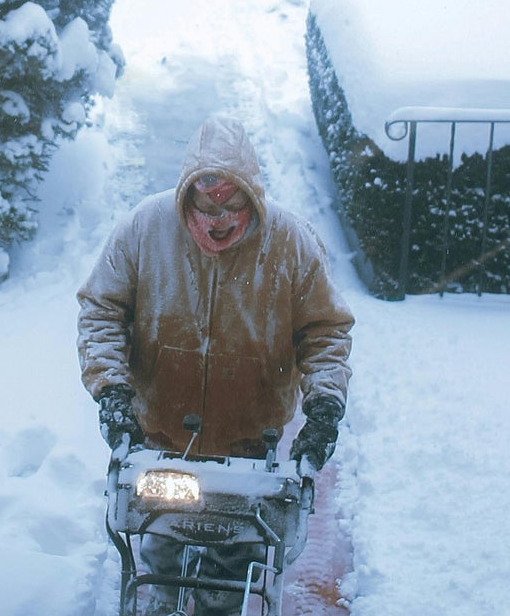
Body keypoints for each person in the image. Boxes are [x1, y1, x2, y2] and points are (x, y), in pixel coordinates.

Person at [77, 114, 353, 474]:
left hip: (254, 447)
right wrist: (111, 390)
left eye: (231, 203)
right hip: (155, 440)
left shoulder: (292, 242)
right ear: (188, 192)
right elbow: (102, 311)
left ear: (251, 192)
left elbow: (325, 331)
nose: (219, 218)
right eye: (207, 206)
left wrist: (324, 408)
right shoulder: (143, 228)